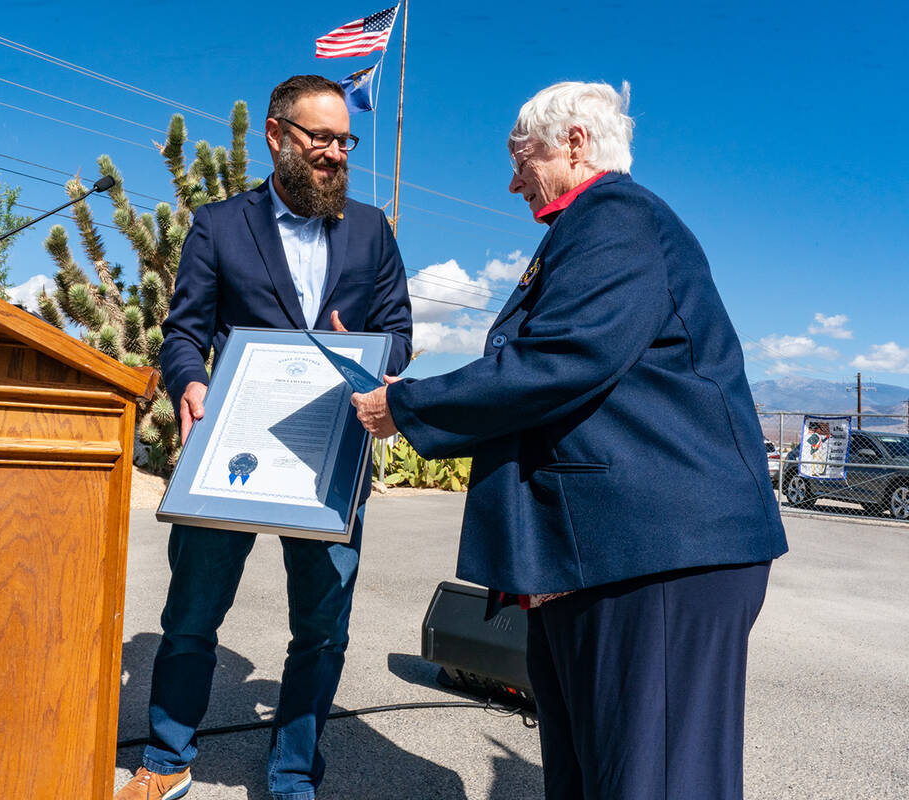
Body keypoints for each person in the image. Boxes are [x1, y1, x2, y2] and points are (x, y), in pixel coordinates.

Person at [350, 81, 787, 799]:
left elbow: (560, 359)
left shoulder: (616, 215)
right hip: (614, 554)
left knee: (654, 778)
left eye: (523, 157)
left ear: (576, 143)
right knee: (594, 772)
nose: (513, 179)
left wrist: (411, 406)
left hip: (662, 553)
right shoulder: (586, 229)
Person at [115, 74, 412, 800]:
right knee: (190, 615)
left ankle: (291, 775)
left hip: (331, 456)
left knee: (321, 629)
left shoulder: (372, 229)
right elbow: (185, 330)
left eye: (346, 141)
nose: (337, 154)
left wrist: (373, 353)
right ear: (276, 135)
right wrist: (189, 380)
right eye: (322, 139)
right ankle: (167, 759)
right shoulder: (219, 226)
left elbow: (399, 333)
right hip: (234, 453)